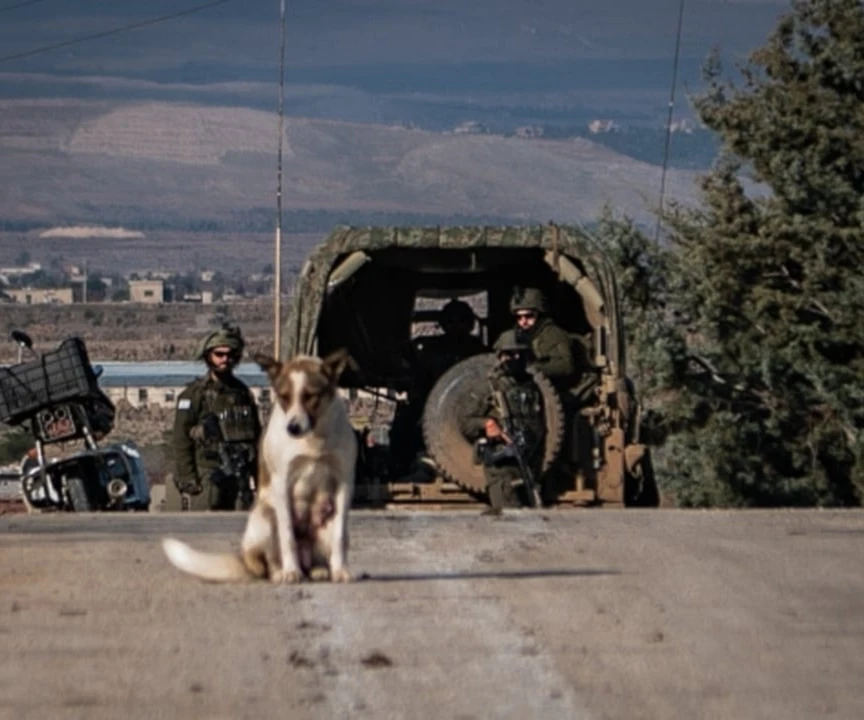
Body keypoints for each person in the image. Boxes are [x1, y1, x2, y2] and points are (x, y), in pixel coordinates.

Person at [393, 299, 487, 484]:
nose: (456, 326)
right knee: (406, 421)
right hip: (432, 404)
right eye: (451, 321)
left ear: (469, 324)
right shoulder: (432, 349)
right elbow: (420, 377)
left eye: (461, 321)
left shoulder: (478, 351)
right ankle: (407, 467)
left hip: (471, 406)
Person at [169, 324, 262, 511]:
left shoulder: (242, 392)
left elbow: (256, 437)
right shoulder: (194, 394)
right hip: (208, 474)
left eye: (229, 355)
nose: (224, 359)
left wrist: (259, 477)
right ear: (208, 356)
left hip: (239, 476)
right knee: (205, 527)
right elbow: (181, 440)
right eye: (219, 354)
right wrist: (188, 478)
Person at [460, 338, 546, 515]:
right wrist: (487, 424)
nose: (514, 358)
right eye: (508, 354)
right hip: (501, 463)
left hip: (527, 459)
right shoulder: (488, 386)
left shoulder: (530, 387)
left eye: (519, 354)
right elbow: (465, 422)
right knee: (509, 515)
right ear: (499, 356)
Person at [494, 287, 585, 393]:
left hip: (559, 390)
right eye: (519, 317)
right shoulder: (516, 335)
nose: (523, 322)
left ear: (539, 314)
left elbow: (566, 365)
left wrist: (533, 368)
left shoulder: (552, 334)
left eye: (529, 316)